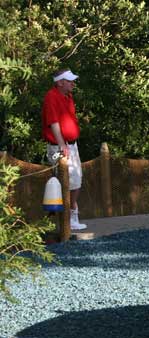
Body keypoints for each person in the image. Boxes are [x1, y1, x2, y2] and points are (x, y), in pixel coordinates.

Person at [42, 68, 86, 230]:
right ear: (60, 83)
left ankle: (71, 216)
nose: (73, 84)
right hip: (60, 146)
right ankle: (67, 220)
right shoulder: (51, 97)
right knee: (66, 181)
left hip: (71, 145)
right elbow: (53, 123)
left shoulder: (68, 96)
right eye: (69, 81)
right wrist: (62, 145)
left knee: (76, 180)